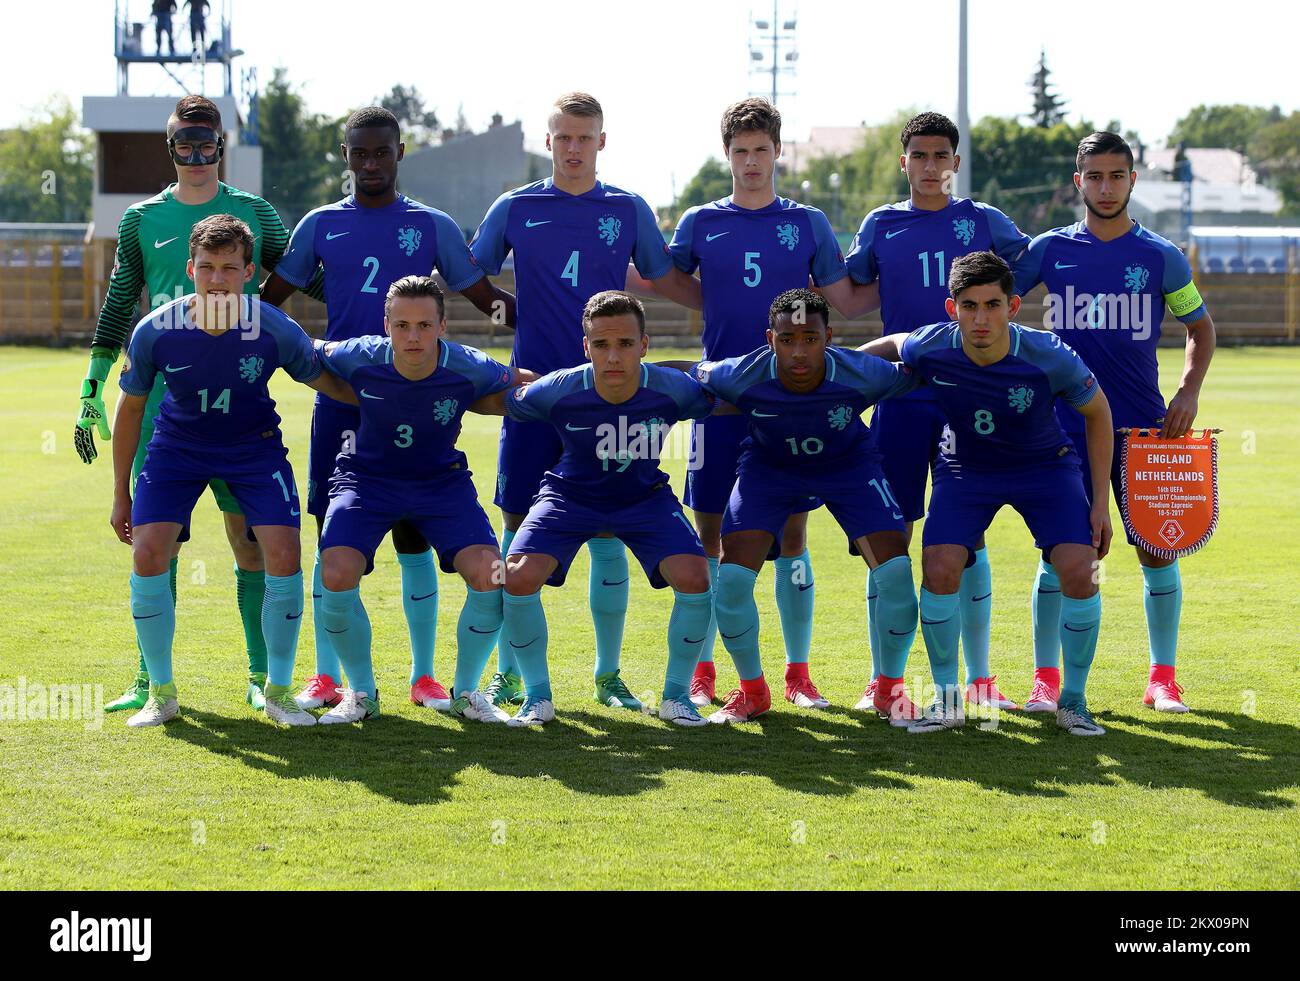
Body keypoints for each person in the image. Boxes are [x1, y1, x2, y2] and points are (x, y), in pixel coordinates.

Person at [261, 106, 514, 714]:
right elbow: (271, 304)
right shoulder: (320, 224)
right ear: (345, 156)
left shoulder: (431, 226)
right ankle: (329, 676)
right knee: (333, 536)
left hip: (417, 398)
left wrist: (556, 331)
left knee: (414, 540)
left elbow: (484, 301)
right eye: (359, 153)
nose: (370, 163)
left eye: (381, 152)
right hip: (345, 397)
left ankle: (426, 677)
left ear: (400, 152)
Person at [470, 92, 702, 712]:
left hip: (612, 396)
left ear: (603, 141)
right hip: (535, 394)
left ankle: (608, 674)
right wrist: (502, 315)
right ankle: (511, 677)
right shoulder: (516, 206)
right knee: (516, 534)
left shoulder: (627, 209)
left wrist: (730, 306)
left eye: (585, 137)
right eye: (563, 137)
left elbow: (661, 277)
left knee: (609, 534)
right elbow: (470, 274)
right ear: (548, 142)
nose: (574, 148)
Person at [75, 95, 296, 715]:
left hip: (240, 405)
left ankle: (260, 676)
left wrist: (263, 327)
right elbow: (122, 302)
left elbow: (295, 274)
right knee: (155, 538)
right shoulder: (141, 219)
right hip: (161, 403)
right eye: (183, 144)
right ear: (169, 147)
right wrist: (92, 387)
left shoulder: (254, 212)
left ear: (221, 145)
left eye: (206, 144)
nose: (196, 156)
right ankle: (151, 680)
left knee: (247, 537)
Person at [664, 98, 876, 711]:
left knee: (791, 531)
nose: (751, 162)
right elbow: (669, 280)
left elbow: (843, 296)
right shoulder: (701, 222)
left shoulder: (807, 223)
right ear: (726, 154)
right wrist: (715, 302)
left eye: (761, 150)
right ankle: (704, 667)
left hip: (790, 400)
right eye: (740, 151)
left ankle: (797, 672)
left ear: (778, 151)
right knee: (708, 531)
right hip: (720, 397)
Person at [108, 215, 357, 728]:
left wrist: (393, 404)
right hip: (178, 448)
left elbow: (326, 382)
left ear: (248, 273)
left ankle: (279, 692)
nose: (217, 278)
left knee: (283, 554)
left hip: (252, 448)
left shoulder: (274, 326)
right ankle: (161, 692)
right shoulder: (156, 329)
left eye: (229, 268)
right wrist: (120, 494)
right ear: (190, 269)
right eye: (207, 267)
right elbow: (130, 409)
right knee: (150, 551)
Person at [866, 251, 1114, 735]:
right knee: (938, 569)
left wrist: (1100, 504)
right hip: (967, 469)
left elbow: (1099, 414)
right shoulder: (933, 346)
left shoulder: (1049, 355)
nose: (981, 318)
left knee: (1081, 573)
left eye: (993, 305)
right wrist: (838, 370)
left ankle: (1074, 700)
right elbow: (895, 343)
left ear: (1014, 306)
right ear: (951, 307)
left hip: (1044, 468)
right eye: (970, 306)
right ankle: (947, 699)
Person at [1013, 132, 1216, 714]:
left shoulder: (1159, 256)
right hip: (1061, 432)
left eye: (1117, 176)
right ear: (1078, 182)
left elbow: (1199, 328)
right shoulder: (1048, 250)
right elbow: (995, 302)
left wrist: (1188, 391)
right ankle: (1047, 682)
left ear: (1132, 180)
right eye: (1094, 176)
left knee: (1157, 550)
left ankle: (1163, 679)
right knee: (1064, 554)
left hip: (1142, 430)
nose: (1106, 187)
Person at [845, 111, 1032, 713]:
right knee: (891, 535)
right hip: (901, 397)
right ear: (905, 163)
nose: (930, 167)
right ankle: (887, 680)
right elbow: (848, 292)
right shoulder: (880, 225)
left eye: (940, 156)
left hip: (967, 399)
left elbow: (1029, 274)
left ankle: (979, 681)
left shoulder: (982, 221)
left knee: (966, 535)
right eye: (919, 156)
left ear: (955, 163)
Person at [690, 289, 922, 726]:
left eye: (810, 339)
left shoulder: (862, 372)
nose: (799, 351)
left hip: (848, 465)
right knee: (734, 580)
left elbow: (930, 371)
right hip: (769, 468)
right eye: (787, 339)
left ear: (829, 337)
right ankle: (753, 692)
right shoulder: (741, 374)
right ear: (770, 339)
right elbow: (686, 373)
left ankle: (889, 690)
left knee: (895, 572)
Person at [309, 276, 532, 725]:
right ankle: (361, 694)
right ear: (386, 325)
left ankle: (467, 692)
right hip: (366, 479)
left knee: (491, 573)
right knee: (334, 571)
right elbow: (305, 353)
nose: (413, 337)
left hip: (440, 483)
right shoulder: (358, 354)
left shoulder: (468, 364)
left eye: (425, 325)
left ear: (443, 327)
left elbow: (524, 384)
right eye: (403, 325)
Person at [500, 292, 716, 728]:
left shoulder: (675, 389)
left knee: (696, 577)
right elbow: (498, 401)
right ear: (586, 348)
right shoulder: (559, 388)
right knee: (515, 574)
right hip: (569, 496)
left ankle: (677, 697)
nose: (613, 356)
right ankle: (537, 697)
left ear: (644, 345)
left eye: (624, 344)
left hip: (643, 497)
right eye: (601, 345)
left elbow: (724, 399)